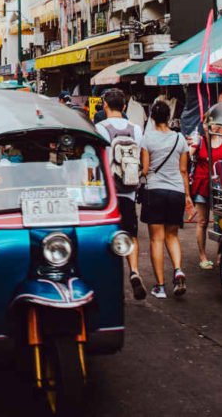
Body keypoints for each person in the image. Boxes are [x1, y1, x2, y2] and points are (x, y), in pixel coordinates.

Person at [94, 88, 146, 300]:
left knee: (107, 237)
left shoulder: (100, 128)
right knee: (131, 234)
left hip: (107, 193)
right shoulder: (136, 129)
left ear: (105, 105)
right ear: (124, 107)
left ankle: (112, 280)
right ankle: (134, 271)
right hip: (129, 191)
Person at [140, 100, 192, 299]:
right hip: (176, 191)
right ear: (168, 117)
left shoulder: (147, 139)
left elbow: (145, 169)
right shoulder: (180, 139)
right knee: (172, 236)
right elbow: (184, 170)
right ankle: (178, 270)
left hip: (155, 191)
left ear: (152, 117)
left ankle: (160, 287)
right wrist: (187, 196)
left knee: (156, 239)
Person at [191, 129, 222, 270]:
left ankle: (221, 255)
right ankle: (202, 256)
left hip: (220, 188)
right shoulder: (200, 141)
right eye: (208, 123)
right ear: (204, 125)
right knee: (202, 221)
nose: (212, 126)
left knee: (221, 223)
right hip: (201, 184)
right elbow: (185, 156)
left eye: (216, 123)